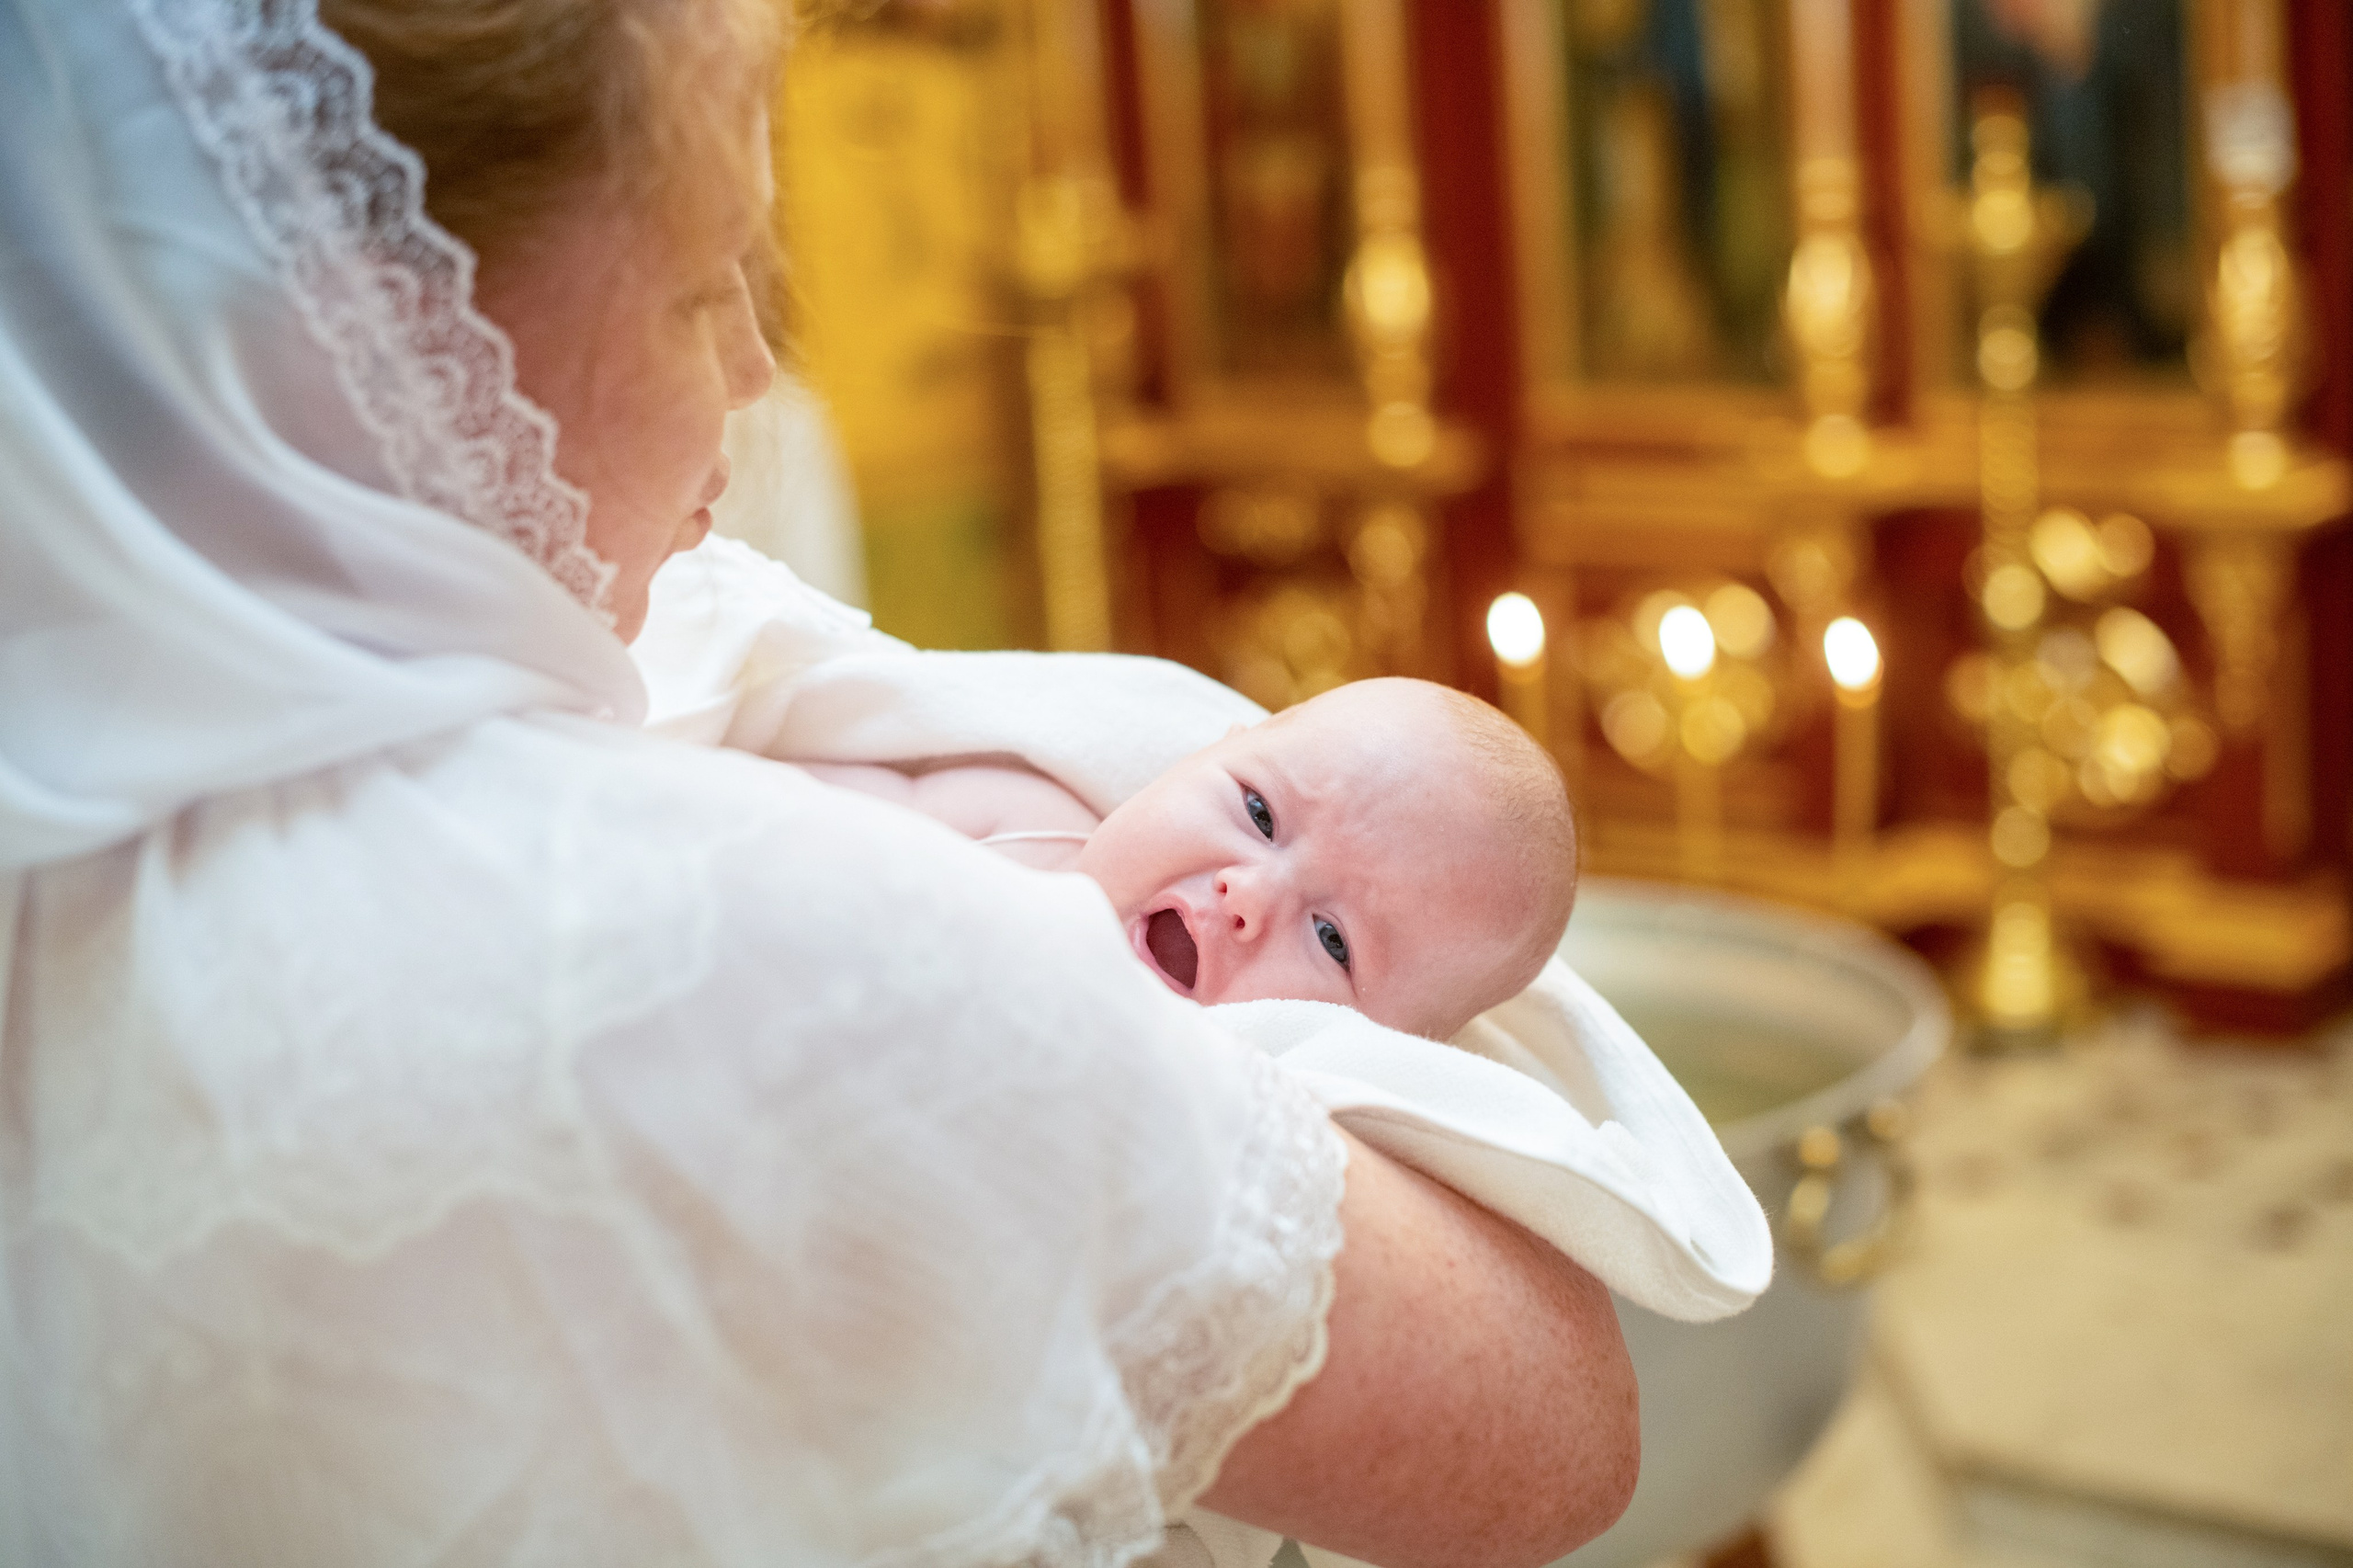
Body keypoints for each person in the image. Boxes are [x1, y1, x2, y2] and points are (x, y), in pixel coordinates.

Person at [0, 2, 1638, 1567]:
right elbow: (1561, 1441)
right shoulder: (754, 950)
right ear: (386, 322)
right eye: (708, 287)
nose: (748, 380)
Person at [802, 677, 1578, 1040]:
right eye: (1259, 813)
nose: (1248, 896)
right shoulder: (1020, 829)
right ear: (1206, 753)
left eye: (1333, 940)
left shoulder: (1209, 1114)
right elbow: (759, 817)